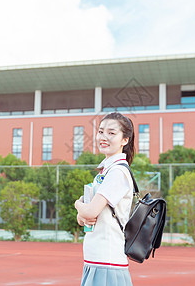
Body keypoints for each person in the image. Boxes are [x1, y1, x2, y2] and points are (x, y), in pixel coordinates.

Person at [75, 112, 135, 286]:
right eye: (101, 132)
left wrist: (78, 205)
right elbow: (84, 219)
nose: (103, 137)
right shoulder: (106, 170)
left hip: (108, 261)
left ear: (125, 140)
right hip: (96, 259)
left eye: (111, 133)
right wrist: (83, 213)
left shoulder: (117, 172)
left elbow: (91, 211)